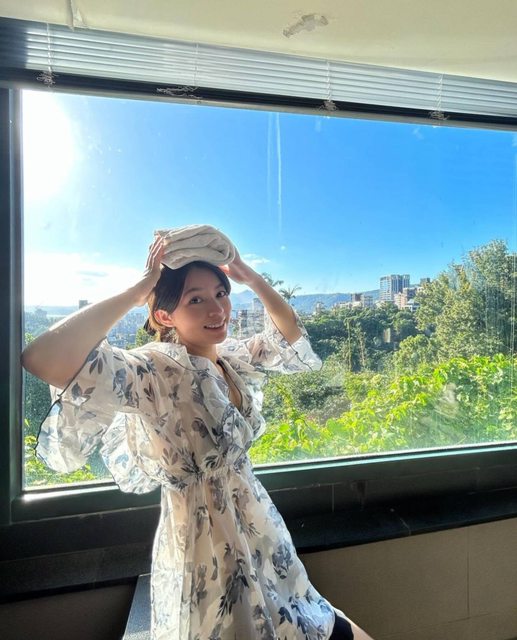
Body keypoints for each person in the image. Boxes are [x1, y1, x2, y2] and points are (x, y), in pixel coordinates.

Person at [22, 236, 373, 640]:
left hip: (258, 527)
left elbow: (288, 336)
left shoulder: (229, 358)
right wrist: (138, 291)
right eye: (196, 299)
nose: (217, 309)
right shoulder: (153, 373)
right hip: (205, 539)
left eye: (221, 294)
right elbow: (42, 358)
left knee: (309, 621)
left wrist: (250, 278)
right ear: (165, 315)